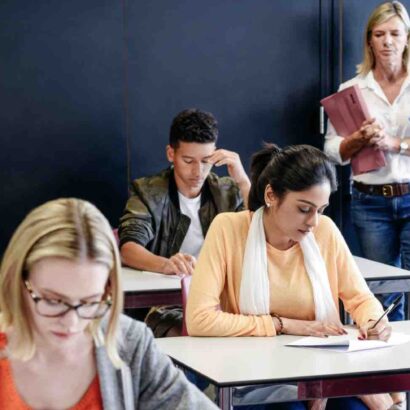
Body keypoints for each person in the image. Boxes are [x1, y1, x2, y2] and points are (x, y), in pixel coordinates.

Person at [187, 144, 399, 409]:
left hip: (323, 370)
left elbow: (360, 299)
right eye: (304, 209)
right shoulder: (228, 229)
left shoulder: (324, 231)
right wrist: (283, 325)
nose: (313, 222)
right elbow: (199, 319)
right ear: (271, 195)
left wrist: (373, 321)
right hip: (255, 375)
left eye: (321, 210)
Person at [0, 198, 217, 410]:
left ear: (107, 289)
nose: (71, 323)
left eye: (90, 302)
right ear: (18, 282)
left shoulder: (129, 345)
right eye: (53, 301)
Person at [324, 1, 410, 323]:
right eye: (379, 34)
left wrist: (393, 144)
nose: (387, 41)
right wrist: (358, 139)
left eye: (395, 34)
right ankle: (394, 353)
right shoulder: (352, 90)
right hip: (370, 202)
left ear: (407, 38)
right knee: (385, 292)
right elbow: (332, 152)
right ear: (369, 41)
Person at [119, 107, 250, 276]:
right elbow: (129, 248)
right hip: (168, 289)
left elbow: (262, 236)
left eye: (206, 161)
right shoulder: (147, 193)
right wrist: (165, 265)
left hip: (219, 287)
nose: (198, 171)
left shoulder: (229, 192)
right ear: (170, 153)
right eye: (188, 161)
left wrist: (244, 182)